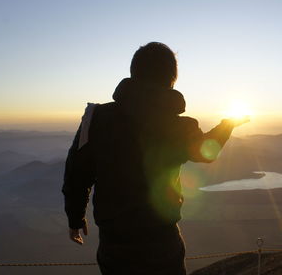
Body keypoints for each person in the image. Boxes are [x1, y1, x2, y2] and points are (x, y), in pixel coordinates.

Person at [62, 42, 248, 274]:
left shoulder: (96, 119)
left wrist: (75, 218)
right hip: (162, 241)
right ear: (171, 79)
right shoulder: (179, 126)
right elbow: (205, 152)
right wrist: (226, 126)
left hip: (115, 242)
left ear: (133, 72)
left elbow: (77, 173)